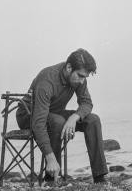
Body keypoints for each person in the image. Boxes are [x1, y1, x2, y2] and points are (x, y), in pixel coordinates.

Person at [17, 48, 108, 183]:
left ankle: (100, 177)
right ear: (69, 67)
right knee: (58, 122)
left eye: (85, 77)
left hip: (53, 113)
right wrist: (50, 158)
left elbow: (86, 103)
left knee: (93, 120)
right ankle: (51, 176)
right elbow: (38, 123)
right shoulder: (47, 81)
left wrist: (74, 117)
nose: (82, 81)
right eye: (81, 76)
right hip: (29, 116)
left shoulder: (77, 79)